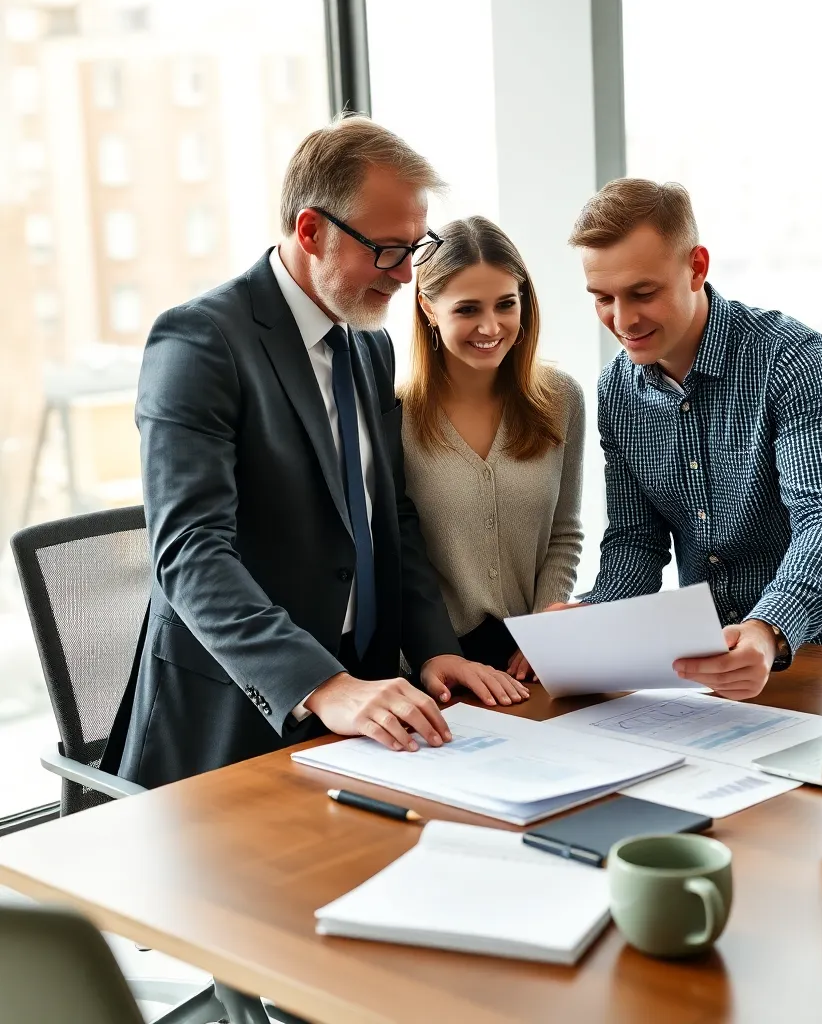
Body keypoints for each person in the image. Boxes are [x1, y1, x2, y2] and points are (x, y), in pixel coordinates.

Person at [105, 116, 529, 790]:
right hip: (237, 716)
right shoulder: (200, 343)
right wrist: (321, 684)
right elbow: (190, 553)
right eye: (387, 251)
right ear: (311, 231)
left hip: (367, 702)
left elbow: (392, 517)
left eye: (415, 247)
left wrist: (432, 650)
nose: (404, 276)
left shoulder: (364, 339)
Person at [566, 178, 822, 700]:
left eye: (643, 293)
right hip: (697, 681)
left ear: (697, 267)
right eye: (602, 298)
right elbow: (637, 539)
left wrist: (768, 630)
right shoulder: (616, 390)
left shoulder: (792, 361)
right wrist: (594, 618)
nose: (623, 319)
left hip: (815, 661)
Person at [400, 216, 585, 679]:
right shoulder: (394, 414)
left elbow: (564, 532)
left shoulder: (561, 399)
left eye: (506, 304)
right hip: (432, 667)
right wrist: (435, 654)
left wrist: (547, 632)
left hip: (532, 662)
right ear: (428, 307)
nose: (490, 326)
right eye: (467, 309)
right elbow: (394, 554)